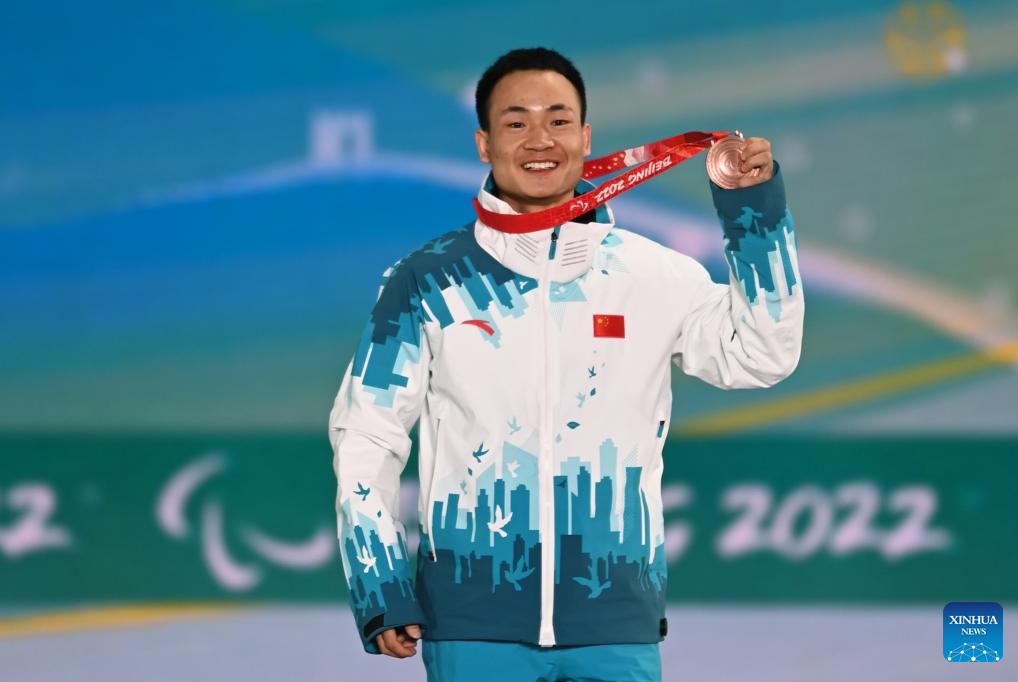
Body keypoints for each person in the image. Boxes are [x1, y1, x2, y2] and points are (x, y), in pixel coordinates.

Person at [329, 47, 804, 682]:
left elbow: (762, 354)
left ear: (585, 137)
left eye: (557, 120)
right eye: (516, 122)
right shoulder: (427, 280)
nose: (539, 139)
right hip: (474, 624)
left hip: (615, 621)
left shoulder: (651, 274)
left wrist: (753, 213)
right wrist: (380, 581)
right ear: (484, 143)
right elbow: (367, 432)